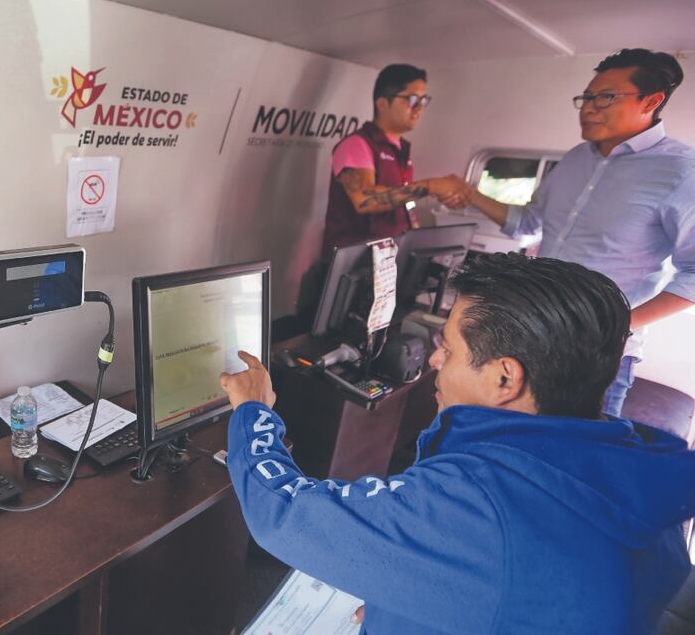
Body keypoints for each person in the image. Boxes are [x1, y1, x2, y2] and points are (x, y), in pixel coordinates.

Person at [221, 253, 695, 634]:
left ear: (504, 377)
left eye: (448, 348)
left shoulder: (478, 504)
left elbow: (284, 513)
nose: (432, 360)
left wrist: (253, 410)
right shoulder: (638, 470)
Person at [456, 49, 695, 417]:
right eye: (586, 98)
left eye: (605, 98)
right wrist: (469, 194)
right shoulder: (574, 159)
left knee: (573, 461)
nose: (588, 108)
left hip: (598, 352)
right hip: (534, 333)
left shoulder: (681, 172)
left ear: (652, 101)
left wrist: (615, 325)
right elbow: (528, 223)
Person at [321, 63, 470, 254]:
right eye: (412, 99)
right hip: (353, 263)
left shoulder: (400, 149)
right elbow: (365, 200)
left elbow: (400, 199)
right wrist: (431, 186)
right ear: (382, 103)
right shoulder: (356, 145)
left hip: (388, 260)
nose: (419, 108)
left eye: (424, 100)